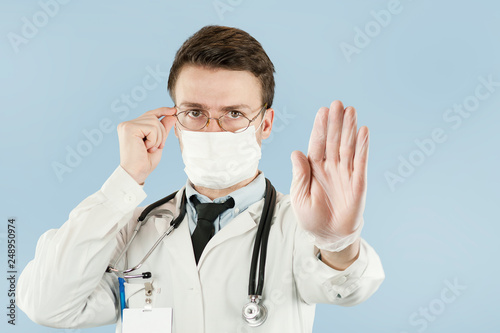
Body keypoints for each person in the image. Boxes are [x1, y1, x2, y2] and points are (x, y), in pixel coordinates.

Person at [17, 25, 385, 333]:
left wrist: (338, 243)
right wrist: (126, 181)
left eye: (234, 113)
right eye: (195, 112)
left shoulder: (299, 226)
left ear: (266, 124)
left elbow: (348, 289)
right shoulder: (137, 229)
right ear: (173, 123)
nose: (212, 129)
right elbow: (48, 305)